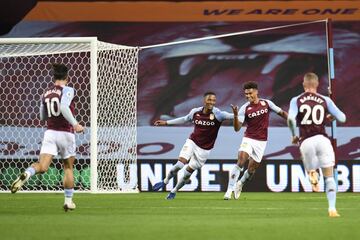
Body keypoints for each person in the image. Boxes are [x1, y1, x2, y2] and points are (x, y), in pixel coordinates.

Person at [10, 63, 84, 212]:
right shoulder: (68, 90)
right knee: (68, 167)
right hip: (66, 133)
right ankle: (68, 202)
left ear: (54, 77)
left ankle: (27, 173)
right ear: (67, 78)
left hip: (50, 133)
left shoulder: (45, 93)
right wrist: (76, 124)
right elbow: (63, 107)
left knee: (42, 167)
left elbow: (42, 116)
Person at [152, 91, 234, 199]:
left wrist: (237, 113)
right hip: (192, 142)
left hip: (204, 150)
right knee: (179, 165)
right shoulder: (195, 112)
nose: (211, 102)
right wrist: (166, 123)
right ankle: (165, 181)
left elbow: (231, 116)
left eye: (213, 100)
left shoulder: (218, 114)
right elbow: (184, 119)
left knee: (187, 174)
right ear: (204, 100)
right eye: (209, 99)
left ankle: (174, 191)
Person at [287, 72, 346, 217]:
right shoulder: (325, 99)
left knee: (310, 165)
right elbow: (342, 118)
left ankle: (312, 172)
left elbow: (291, 119)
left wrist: (294, 135)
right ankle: (332, 209)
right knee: (329, 177)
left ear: (304, 84)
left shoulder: (296, 100)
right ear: (317, 84)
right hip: (322, 140)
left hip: (306, 141)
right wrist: (330, 117)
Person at [224, 81, 288, 200]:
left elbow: (282, 113)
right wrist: (235, 116)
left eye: (250, 93)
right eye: (246, 94)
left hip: (261, 141)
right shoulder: (244, 108)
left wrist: (292, 121)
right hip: (248, 138)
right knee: (241, 160)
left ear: (256, 92)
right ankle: (229, 191)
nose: (248, 96)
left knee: (251, 170)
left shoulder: (267, 103)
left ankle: (240, 183)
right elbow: (237, 128)